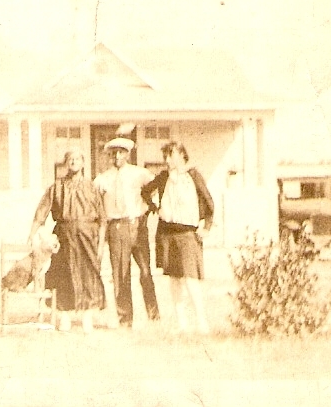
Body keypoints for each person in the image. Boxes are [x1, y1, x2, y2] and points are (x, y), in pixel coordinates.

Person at [28, 148, 106, 333]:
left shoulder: (92, 188)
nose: (73, 162)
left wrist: (101, 245)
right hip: (64, 236)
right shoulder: (57, 187)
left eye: (77, 158)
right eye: (70, 159)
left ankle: (87, 316)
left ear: (83, 163)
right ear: (65, 163)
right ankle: (65, 317)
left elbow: (103, 219)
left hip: (88, 236)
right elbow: (41, 212)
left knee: (88, 274)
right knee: (64, 274)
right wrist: (32, 233)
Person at [141, 141, 214, 334]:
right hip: (167, 233)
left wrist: (206, 226)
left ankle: (201, 322)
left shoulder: (193, 175)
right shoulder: (164, 177)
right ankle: (182, 324)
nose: (167, 160)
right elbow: (146, 191)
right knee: (174, 279)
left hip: (188, 234)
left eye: (170, 155)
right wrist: (155, 208)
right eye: (164, 156)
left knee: (191, 279)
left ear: (181, 154)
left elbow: (209, 202)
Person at [94, 137, 160, 328]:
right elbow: (96, 204)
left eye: (121, 152)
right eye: (113, 153)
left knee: (146, 272)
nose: (117, 156)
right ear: (109, 156)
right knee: (120, 275)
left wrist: (149, 208)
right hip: (116, 228)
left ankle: (154, 316)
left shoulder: (140, 174)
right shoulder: (102, 179)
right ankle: (125, 319)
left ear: (127, 154)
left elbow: (155, 188)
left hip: (137, 226)